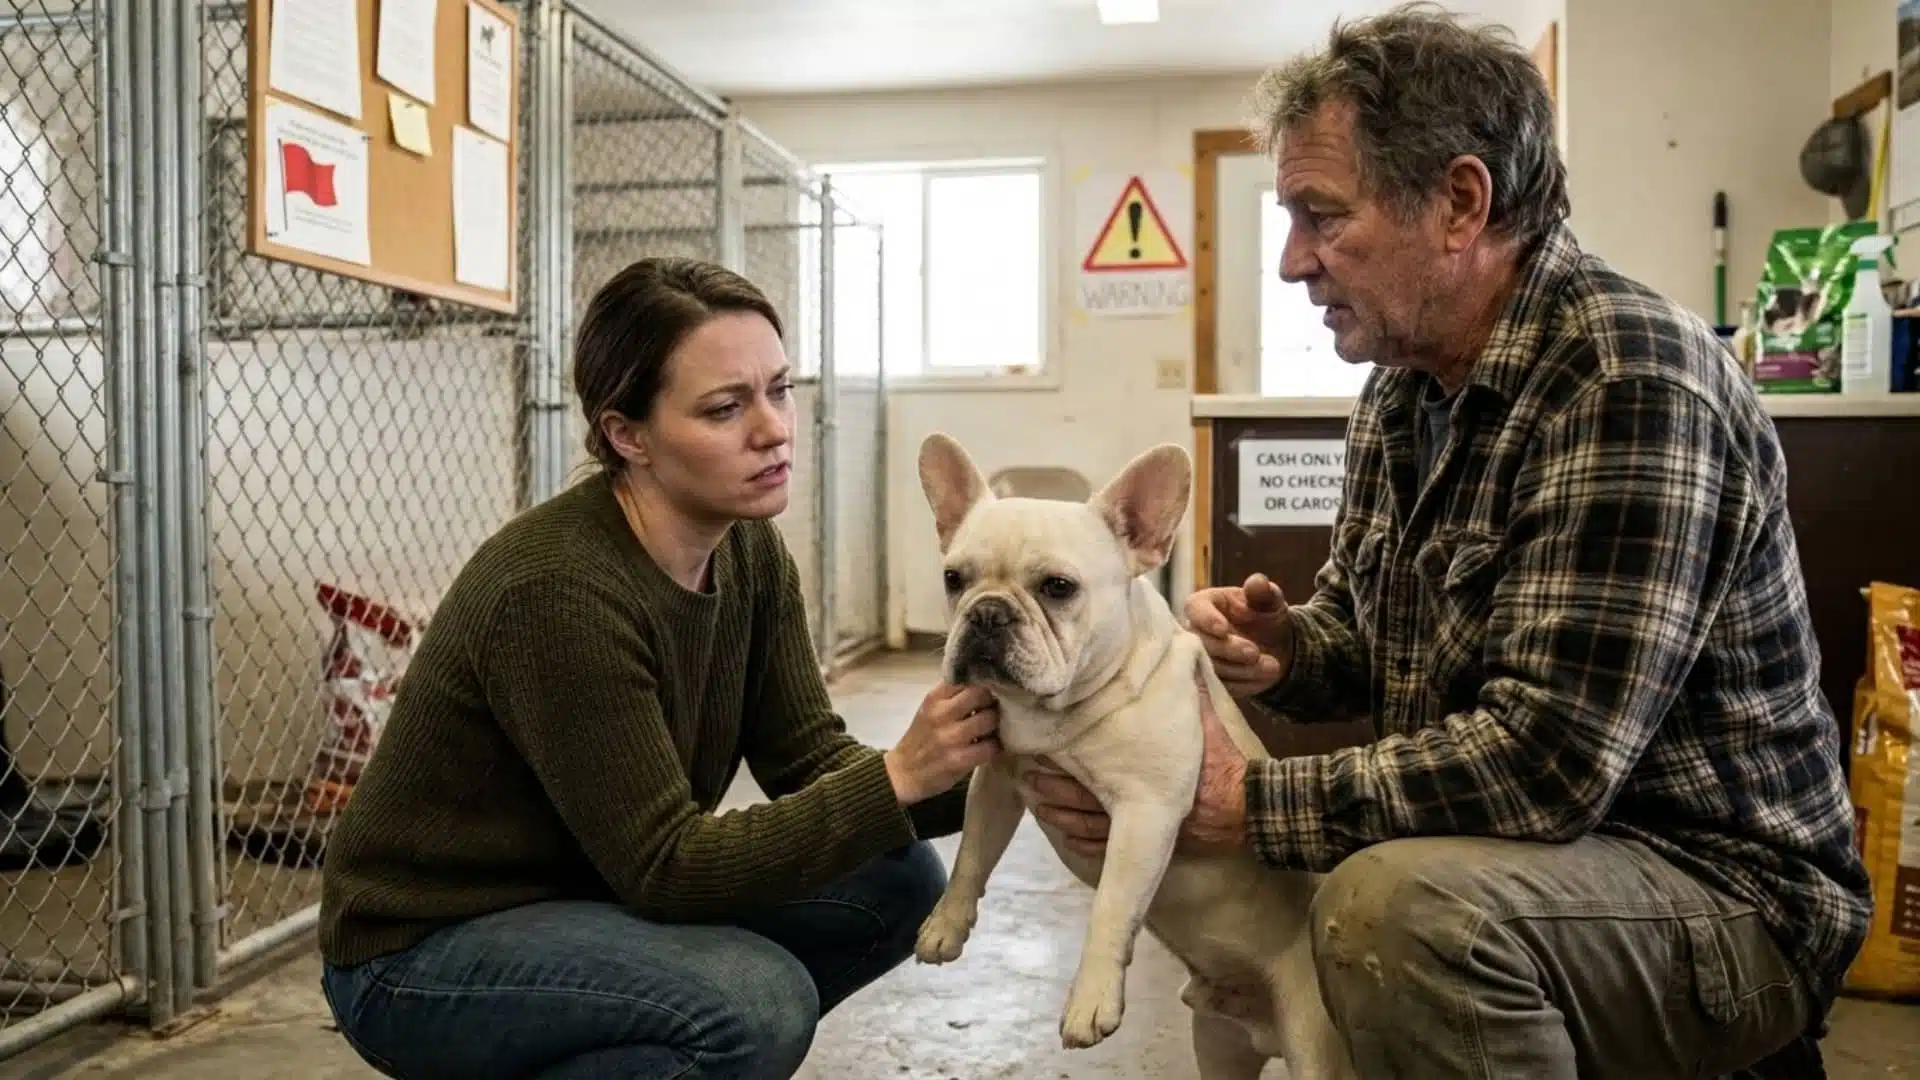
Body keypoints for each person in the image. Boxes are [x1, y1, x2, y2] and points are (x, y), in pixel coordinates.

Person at [1022, 6, 1873, 1079]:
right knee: (1361, 901)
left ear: (1461, 203)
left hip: (1724, 898)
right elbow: (1373, 640)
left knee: (1396, 912)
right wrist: (1291, 650)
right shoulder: (1406, 386)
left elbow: (1544, 766)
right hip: (1545, 867)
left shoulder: (1627, 379)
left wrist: (1242, 803)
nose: (1293, 261)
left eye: (1321, 216)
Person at [316, 257, 998, 1080]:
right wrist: (896, 777)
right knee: (753, 1003)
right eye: (724, 408)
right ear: (627, 435)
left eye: (780, 390)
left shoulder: (747, 551)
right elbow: (668, 867)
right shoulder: (557, 590)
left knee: (894, 884)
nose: (774, 429)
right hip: (422, 950)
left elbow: (807, 759)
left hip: (587, 895)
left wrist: (1009, 777)